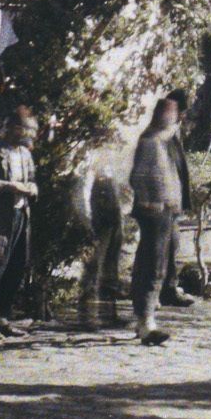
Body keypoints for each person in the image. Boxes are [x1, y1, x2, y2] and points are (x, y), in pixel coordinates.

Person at [129, 95, 185, 345]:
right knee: (152, 265)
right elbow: (139, 177)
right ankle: (145, 323)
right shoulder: (152, 142)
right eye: (174, 120)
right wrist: (151, 202)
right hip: (155, 214)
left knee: (158, 264)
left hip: (166, 212)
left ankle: (145, 318)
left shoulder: (165, 144)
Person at [0, 105, 40, 337]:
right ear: (15, 128)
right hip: (0, 218)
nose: (31, 135)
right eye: (28, 130)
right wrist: (11, 187)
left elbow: (32, 179)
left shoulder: (25, 154)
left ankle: (2, 317)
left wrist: (33, 187)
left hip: (21, 215)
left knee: (17, 265)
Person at [74, 140, 129, 330]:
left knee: (111, 269)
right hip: (97, 222)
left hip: (114, 221)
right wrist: (87, 222)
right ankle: (87, 317)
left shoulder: (111, 168)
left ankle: (108, 315)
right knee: (93, 269)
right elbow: (83, 194)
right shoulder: (91, 164)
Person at [158, 86, 197, 309]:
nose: (183, 117)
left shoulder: (171, 132)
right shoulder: (163, 135)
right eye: (182, 112)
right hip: (164, 202)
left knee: (170, 246)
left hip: (171, 201)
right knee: (163, 247)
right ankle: (165, 291)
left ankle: (167, 289)